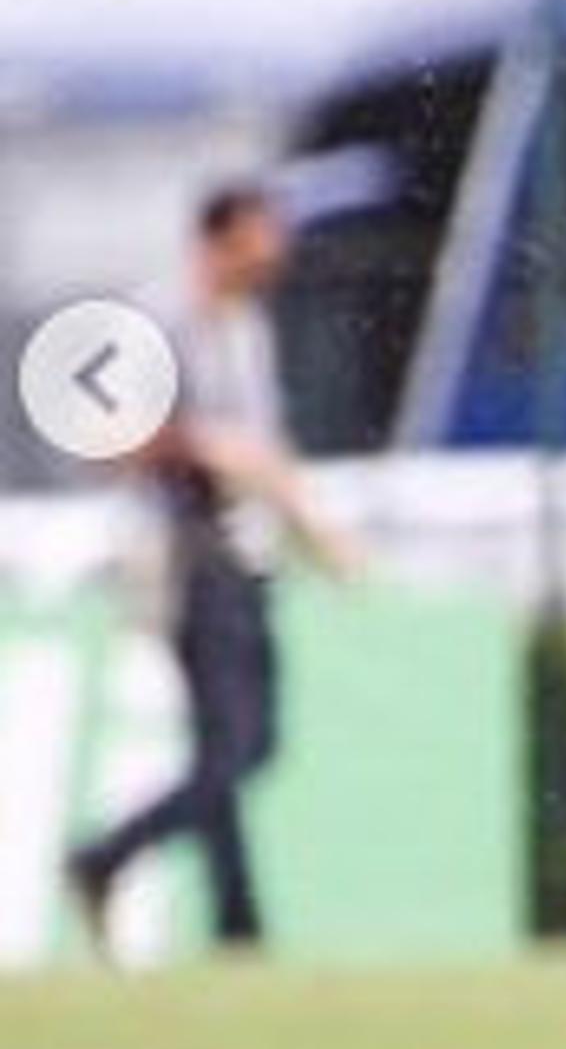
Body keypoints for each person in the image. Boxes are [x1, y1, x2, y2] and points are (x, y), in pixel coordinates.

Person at [64, 179, 359, 956]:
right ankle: (106, 854)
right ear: (220, 239)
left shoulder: (247, 328)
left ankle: (238, 927)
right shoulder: (162, 323)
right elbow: (113, 440)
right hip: (192, 558)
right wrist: (199, 446)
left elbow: (265, 448)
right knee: (241, 747)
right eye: (264, 235)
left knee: (227, 751)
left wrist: (312, 529)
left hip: (247, 553)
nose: (278, 252)